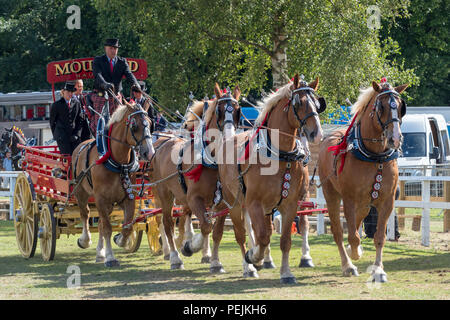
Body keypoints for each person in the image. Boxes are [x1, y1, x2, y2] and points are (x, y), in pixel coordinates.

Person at [90, 38, 141, 133]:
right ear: (105, 48)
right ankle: (100, 141)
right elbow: (98, 75)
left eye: (115, 48)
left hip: (116, 97)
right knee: (100, 122)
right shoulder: (98, 60)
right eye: (111, 48)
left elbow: (129, 74)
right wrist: (104, 84)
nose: (113, 51)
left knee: (119, 122)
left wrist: (135, 84)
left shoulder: (122, 62)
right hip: (101, 95)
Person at [49, 82, 85, 155]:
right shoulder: (56, 105)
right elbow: (52, 122)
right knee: (67, 158)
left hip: (74, 137)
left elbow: (80, 120)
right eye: (68, 91)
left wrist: (77, 134)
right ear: (63, 92)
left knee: (77, 157)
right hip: (62, 137)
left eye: (72, 92)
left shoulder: (77, 103)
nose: (70, 94)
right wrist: (57, 136)